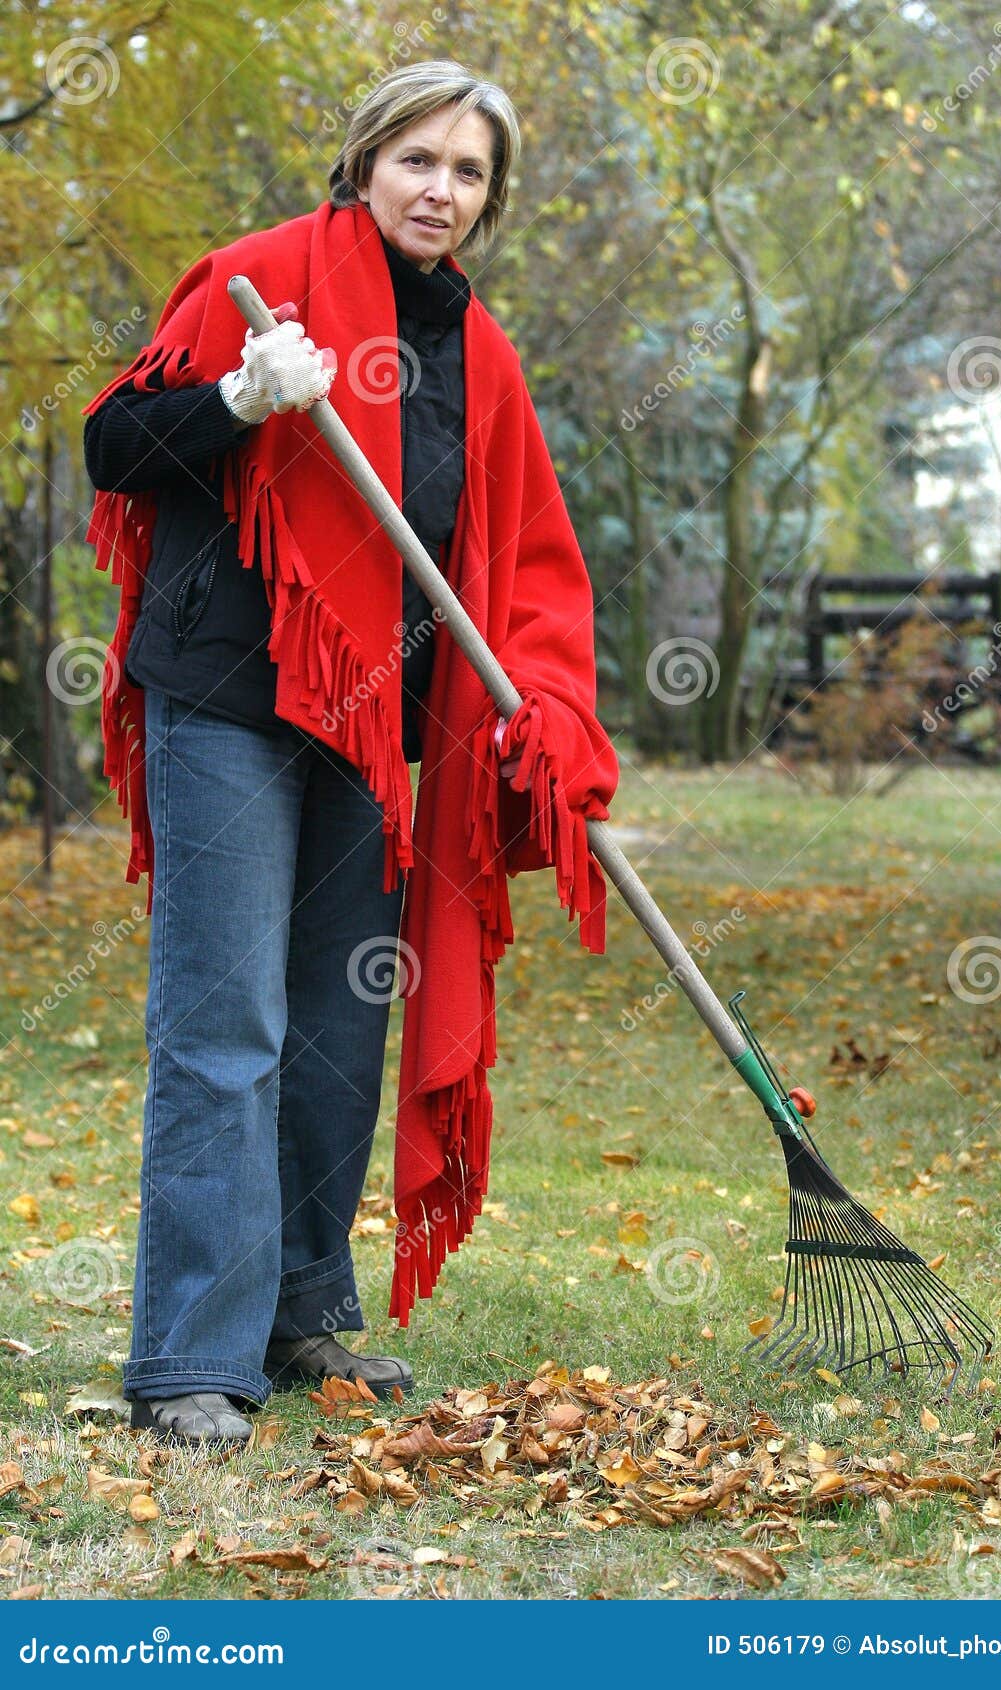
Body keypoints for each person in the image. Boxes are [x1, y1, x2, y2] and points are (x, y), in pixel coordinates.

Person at [81, 60, 619, 1449]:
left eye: (468, 172)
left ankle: (301, 1309)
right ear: (366, 159)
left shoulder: (477, 355)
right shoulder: (255, 278)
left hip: (377, 728)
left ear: (489, 200)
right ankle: (191, 1355)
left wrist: (537, 710)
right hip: (226, 701)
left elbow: (518, 565)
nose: (439, 190)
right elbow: (113, 444)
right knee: (226, 1028)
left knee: (334, 1023)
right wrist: (240, 401)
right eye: (418, 161)